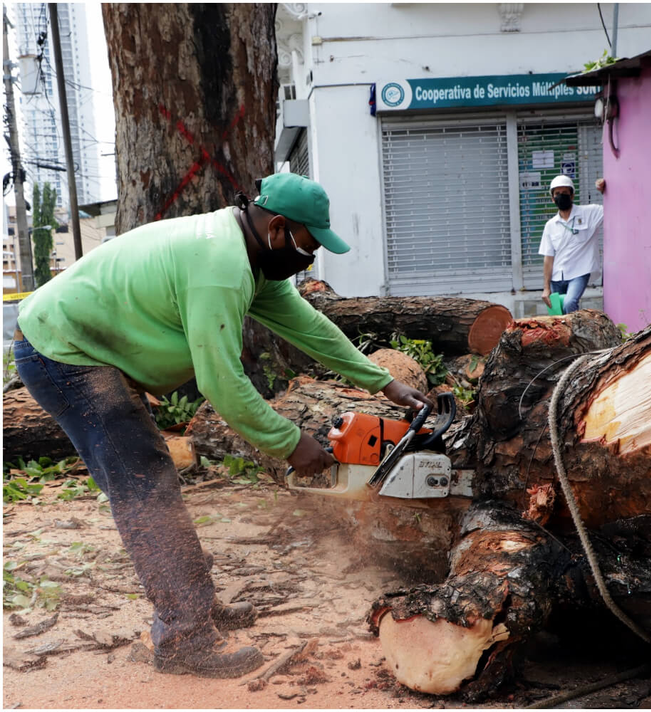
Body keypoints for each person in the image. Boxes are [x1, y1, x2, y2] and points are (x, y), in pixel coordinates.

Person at [13, 173, 431, 679]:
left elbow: (310, 327)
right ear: (278, 229)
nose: (311, 257)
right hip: (64, 350)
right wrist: (290, 441)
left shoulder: (248, 255)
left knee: (152, 476)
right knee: (144, 485)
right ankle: (183, 638)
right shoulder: (222, 268)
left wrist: (384, 383)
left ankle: (194, 606)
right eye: (309, 243)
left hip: (86, 346)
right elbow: (222, 383)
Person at [539, 174, 606, 314]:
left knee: (570, 303)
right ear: (552, 198)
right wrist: (546, 288)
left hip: (579, 272)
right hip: (557, 276)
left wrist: (604, 191)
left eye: (565, 193)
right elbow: (548, 258)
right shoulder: (550, 225)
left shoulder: (589, 213)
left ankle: (574, 335)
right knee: (557, 314)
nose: (561, 196)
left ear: (572, 195)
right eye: (557, 193)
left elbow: (612, 208)